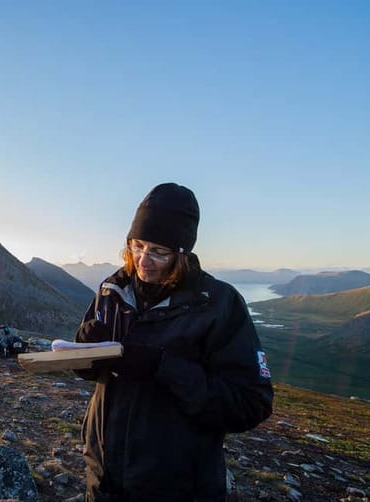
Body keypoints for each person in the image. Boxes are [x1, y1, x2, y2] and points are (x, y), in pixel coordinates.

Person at [74, 183, 273, 501]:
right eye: (137, 246)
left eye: (159, 252)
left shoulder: (219, 306)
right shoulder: (112, 290)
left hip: (177, 488)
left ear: (182, 253)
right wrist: (85, 352)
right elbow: (93, 374)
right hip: (104, 479)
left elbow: (249, 404)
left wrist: (162, 367)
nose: (143, 261)